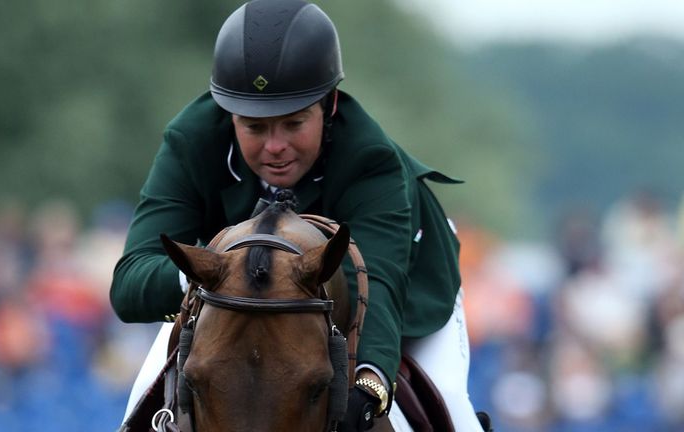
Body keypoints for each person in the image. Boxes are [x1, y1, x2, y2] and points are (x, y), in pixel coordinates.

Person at [110, 0, 487, 430]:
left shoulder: (371, 160)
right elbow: (130, 283)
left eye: (293, 124)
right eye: (254, 127)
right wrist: (210, 274)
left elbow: (377, 287)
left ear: (329, 105)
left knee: (451, 401)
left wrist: (371, 384)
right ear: (229, 114)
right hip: (236, 290)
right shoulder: (191, 142)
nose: (275, 147)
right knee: (142, 402)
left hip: (401, 275)